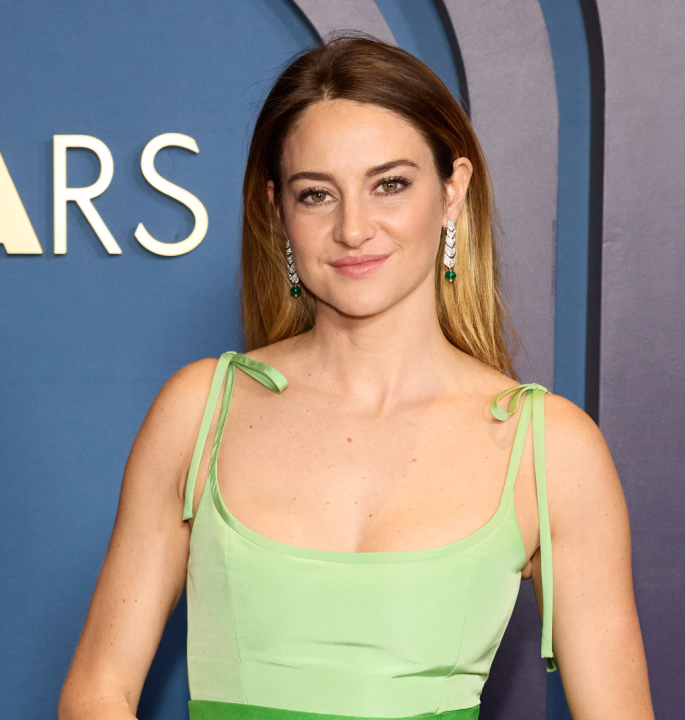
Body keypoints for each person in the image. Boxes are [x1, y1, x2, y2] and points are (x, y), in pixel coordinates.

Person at [58, 33, 654, 720]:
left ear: (453, 190)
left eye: (390, 185)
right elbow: (97, 693)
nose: (354, 228)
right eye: (317, 195)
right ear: (277, 208)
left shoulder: (549, 448)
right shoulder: (200, 411)